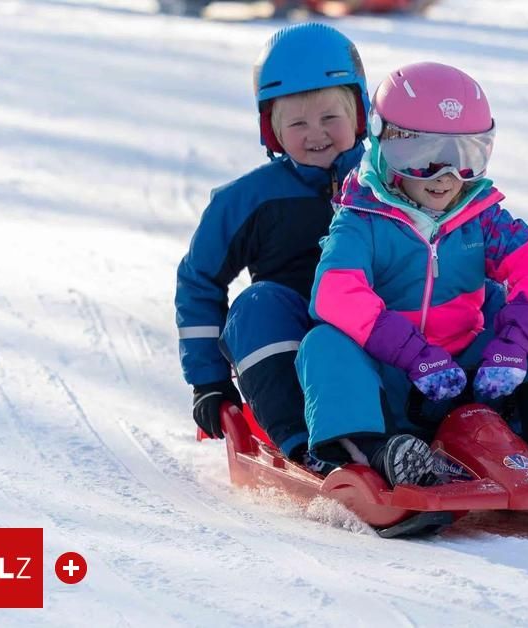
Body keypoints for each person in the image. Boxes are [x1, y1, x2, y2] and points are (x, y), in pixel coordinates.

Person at [295, 62, 528, 487]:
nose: (446, 176)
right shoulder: (362, 219)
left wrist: (515, 346)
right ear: (383, 145)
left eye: (465, 156)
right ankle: (381, 455)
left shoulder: (480, 218)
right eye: (423, 156)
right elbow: (336, 292)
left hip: (473, 374)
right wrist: (413, 354)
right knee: (324, 344)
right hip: (393, 382)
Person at [174, 23, 370, 472]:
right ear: (272, 128)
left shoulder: (388, 182)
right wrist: (208, 381)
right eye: (297, 122)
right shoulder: (247, 200)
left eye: (329, 118)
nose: (315, 133)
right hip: (292, 345)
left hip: (378, 332)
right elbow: (199, 279)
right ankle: (305, 446)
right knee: (256, 305)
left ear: (358, 115)